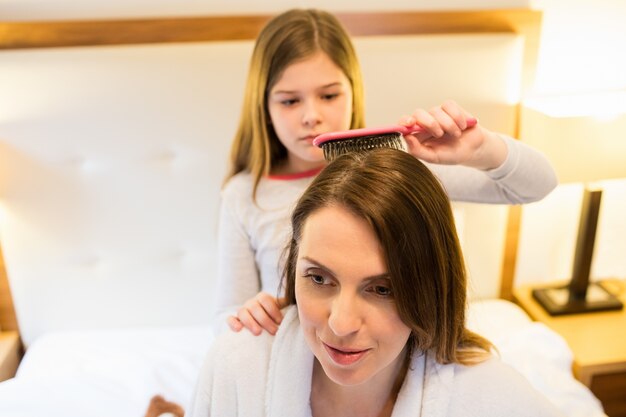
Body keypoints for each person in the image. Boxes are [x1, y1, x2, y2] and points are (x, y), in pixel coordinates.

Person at [214, 8, 558, 336]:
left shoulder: (395, 168)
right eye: (290, 101)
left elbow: (538, 184)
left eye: (329, 95)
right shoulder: (245, 195)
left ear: (353, 92)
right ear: (264, 106)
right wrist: (246, 314)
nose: (311, 115)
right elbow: (225, 318)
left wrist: (481, 148)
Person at [190, 149, 564, 417]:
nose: (340, 324)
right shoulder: (237, 368)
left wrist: (483, 147)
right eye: (319, 278)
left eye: (382, 289)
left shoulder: (490, 396)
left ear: (430, 288)